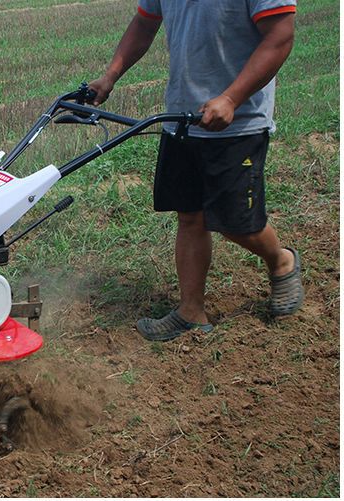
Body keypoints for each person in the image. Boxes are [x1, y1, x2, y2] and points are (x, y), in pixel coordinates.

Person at [88, 0, 303, 341]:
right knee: (190, 215)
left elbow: (280, 36)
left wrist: (231, 99)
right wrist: (110, 76)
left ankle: (281, 261)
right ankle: (190, 312)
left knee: (235, 223)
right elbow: (145, 22)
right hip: (183, 117)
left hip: (238, 123)